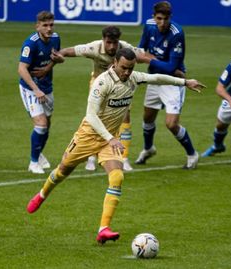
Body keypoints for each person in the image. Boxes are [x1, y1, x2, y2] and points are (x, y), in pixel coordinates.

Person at [26, 48, 205, 244]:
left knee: (117, 176)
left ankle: (103, 228)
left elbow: (156, 78)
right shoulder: (102, 83)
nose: (127, 72)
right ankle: (42, 194)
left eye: (130, 68)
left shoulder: (134, 78)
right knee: (62, 171)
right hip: (88, 135)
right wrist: (110, 138)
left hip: (111, 139)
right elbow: (91, 116)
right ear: (115, 63)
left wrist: (185, 82)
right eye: (124, 68)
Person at [55, 25, 142, 172]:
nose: (112, 46)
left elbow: (143, 56)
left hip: (119, 87)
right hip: (98, 85)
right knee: (95, 116)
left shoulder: (126, 48)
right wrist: (59, 54)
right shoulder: (94, 48)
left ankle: (124, 158)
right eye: (109, 42)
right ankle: (91, 157)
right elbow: (72, 50)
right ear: (103, 40)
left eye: (115, 42)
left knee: (125, 117)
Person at [135, 1, 199, 169]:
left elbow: (171, 67)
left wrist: (149, 59)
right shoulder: (149, 26)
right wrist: (147, 58)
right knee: (147, 118)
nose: (162, 23)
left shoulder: (177, 33)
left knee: (171, 124)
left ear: (170, 17)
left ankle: (192, 154)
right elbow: (140, 51)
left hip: (173, 81)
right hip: (154, 78)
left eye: (165, 19)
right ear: (153, 17)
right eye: (159, 18)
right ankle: (148, 148)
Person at [18, 11, 62, 174]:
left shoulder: (56, 38)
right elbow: (21, 69)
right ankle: (33, 162)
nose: (49, 29)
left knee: (47, 126)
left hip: (47, 87)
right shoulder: (31, 44)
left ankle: (38, 153)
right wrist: (35, 90)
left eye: (51, 25)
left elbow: (55, 57)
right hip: (30, 89)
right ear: (37, 26)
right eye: (45, 25)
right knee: (41, 124)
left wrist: (48, 69)